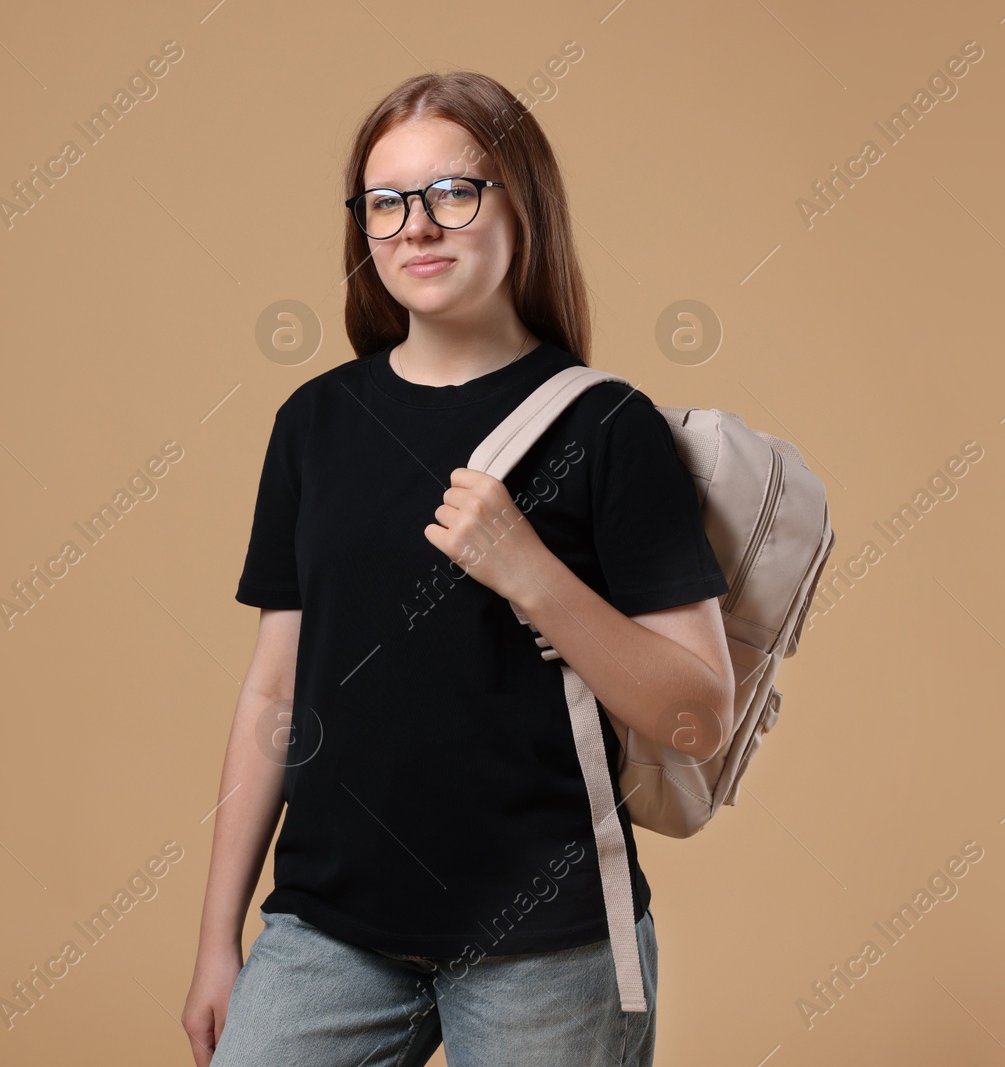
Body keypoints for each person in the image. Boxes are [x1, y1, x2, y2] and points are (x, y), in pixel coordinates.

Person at [182, 69, 735, 1067]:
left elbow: (698, 712)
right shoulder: (315, 423)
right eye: (386, 202)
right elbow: (273, 688)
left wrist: (526, 568)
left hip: (548, 942)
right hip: (327, 930)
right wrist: (218, 939)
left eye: (453, 192)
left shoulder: (608, 426)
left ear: (522, 208)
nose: (416, 227)